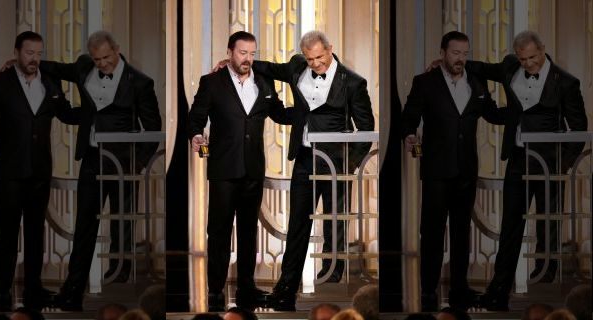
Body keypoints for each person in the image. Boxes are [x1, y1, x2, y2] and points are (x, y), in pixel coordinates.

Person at [36, 30, 162, 311]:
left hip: (123, 165)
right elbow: (58, 68)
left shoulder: (140, 82)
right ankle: (72, 292)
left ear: (117, 50)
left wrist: (137, 164)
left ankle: (119, 298)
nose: (102, 64)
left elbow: (152, 130)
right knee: (84, 227)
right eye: (97, 60)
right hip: (92, 160)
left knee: (122, 228)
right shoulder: (84, 67)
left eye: (106, 58)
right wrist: (30, 64)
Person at [250, 30, 375, 311]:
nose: (315, 64)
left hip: (336, 164)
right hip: (305, 159)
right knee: (298, 224)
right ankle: (286, 286)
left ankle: (330, 283)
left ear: (330, 49)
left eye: (320, 57)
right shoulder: (297, 66)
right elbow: (272, 68)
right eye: (310, 59)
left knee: (334, 224)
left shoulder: (353, 83)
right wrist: (243, 63)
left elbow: (365, 130)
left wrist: (349, 164)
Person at [463, 31, 587, 311]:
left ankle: (544, 293)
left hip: (549, 166)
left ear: (543, 50)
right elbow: (483, 68)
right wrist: (453, 63)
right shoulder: (510, 66)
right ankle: (498, 292)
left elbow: (577, 130)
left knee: (548, 226)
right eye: (523, 59)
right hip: (518, 161)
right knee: (510, 227)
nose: (528, 64)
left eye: (532, 57)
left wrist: (562, 165)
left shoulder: (566, 82)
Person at [0, 31, 78, 311]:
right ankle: (2, 290)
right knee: (7, 232)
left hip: (40, 171)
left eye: (39, 53)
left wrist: (94, 111)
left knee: (35, 232)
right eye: (29, 53)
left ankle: (33, 287)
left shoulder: (50, 81)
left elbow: (67, 114)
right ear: (17, 52)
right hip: (10, 170)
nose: (34, 59)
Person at [188, 31, 290, 312]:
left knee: (248, 232)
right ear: (230, 52)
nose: (248, 58)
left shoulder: (264, 81)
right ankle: (215, 289)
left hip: (253, 169)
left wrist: (306, 112)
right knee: (219, 231)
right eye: (243, 53)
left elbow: (280, 113)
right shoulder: (212, 82)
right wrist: (196, 134)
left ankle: (246, 287)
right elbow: (195, 117)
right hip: (223, 168)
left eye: (252, 53)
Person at [402, 31, 503, 311]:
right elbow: (409, 115)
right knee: (432, 232)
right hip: (436, 170)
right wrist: (410, 133)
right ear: (443, 52)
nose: (461, 58)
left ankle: (459, 290)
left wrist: (520, 112)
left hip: (466, 171)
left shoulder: (476, 81)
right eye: (456, 53)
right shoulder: (425, 82)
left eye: (465, 53)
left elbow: (492, 113)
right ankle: (428, 291)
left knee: (462, 232)